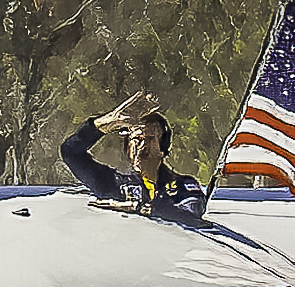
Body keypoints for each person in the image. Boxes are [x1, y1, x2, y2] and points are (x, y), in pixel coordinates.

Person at [61, 90, 210, 225]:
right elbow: (70, 152)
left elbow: (191, 215)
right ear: (128, 147)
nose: (142, 147)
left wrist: (140, 208)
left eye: (150, 139)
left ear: (163, 149)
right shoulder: (113, 184)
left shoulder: (183, 186)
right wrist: (110, 121)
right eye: (136, 140)